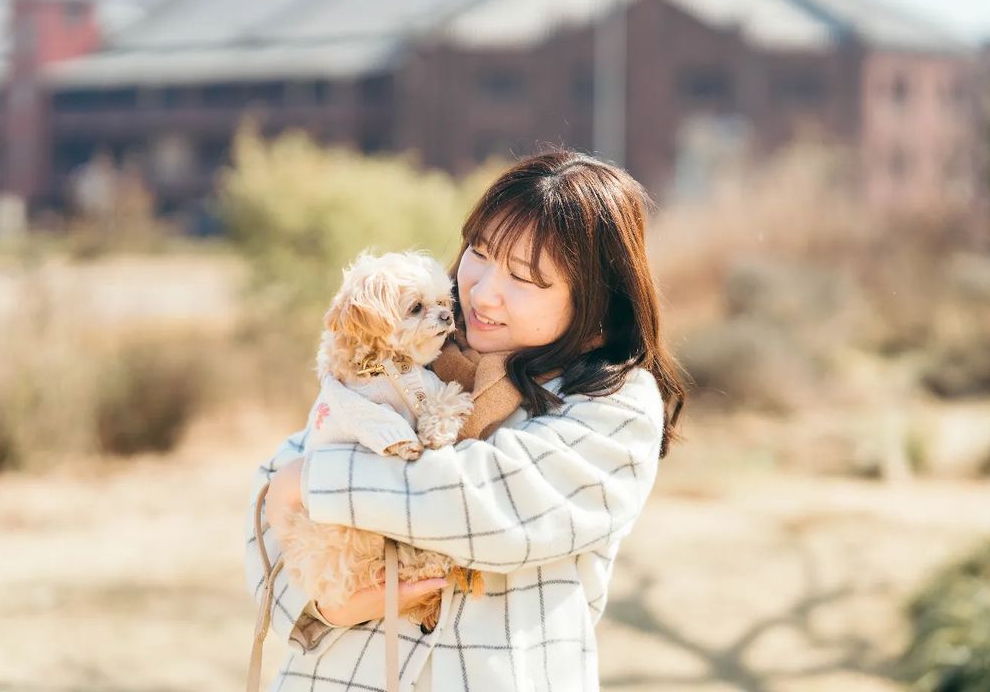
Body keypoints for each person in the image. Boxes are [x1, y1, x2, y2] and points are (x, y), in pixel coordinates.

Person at [245, 149, 685, 691]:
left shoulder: (612, 401)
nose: (481, 290)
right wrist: (325, 607)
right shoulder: (406, 360)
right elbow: (264, 526)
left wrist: (307, 481)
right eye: (480, 252)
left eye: (525, 277)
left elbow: (478, 503)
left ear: (594, 298)